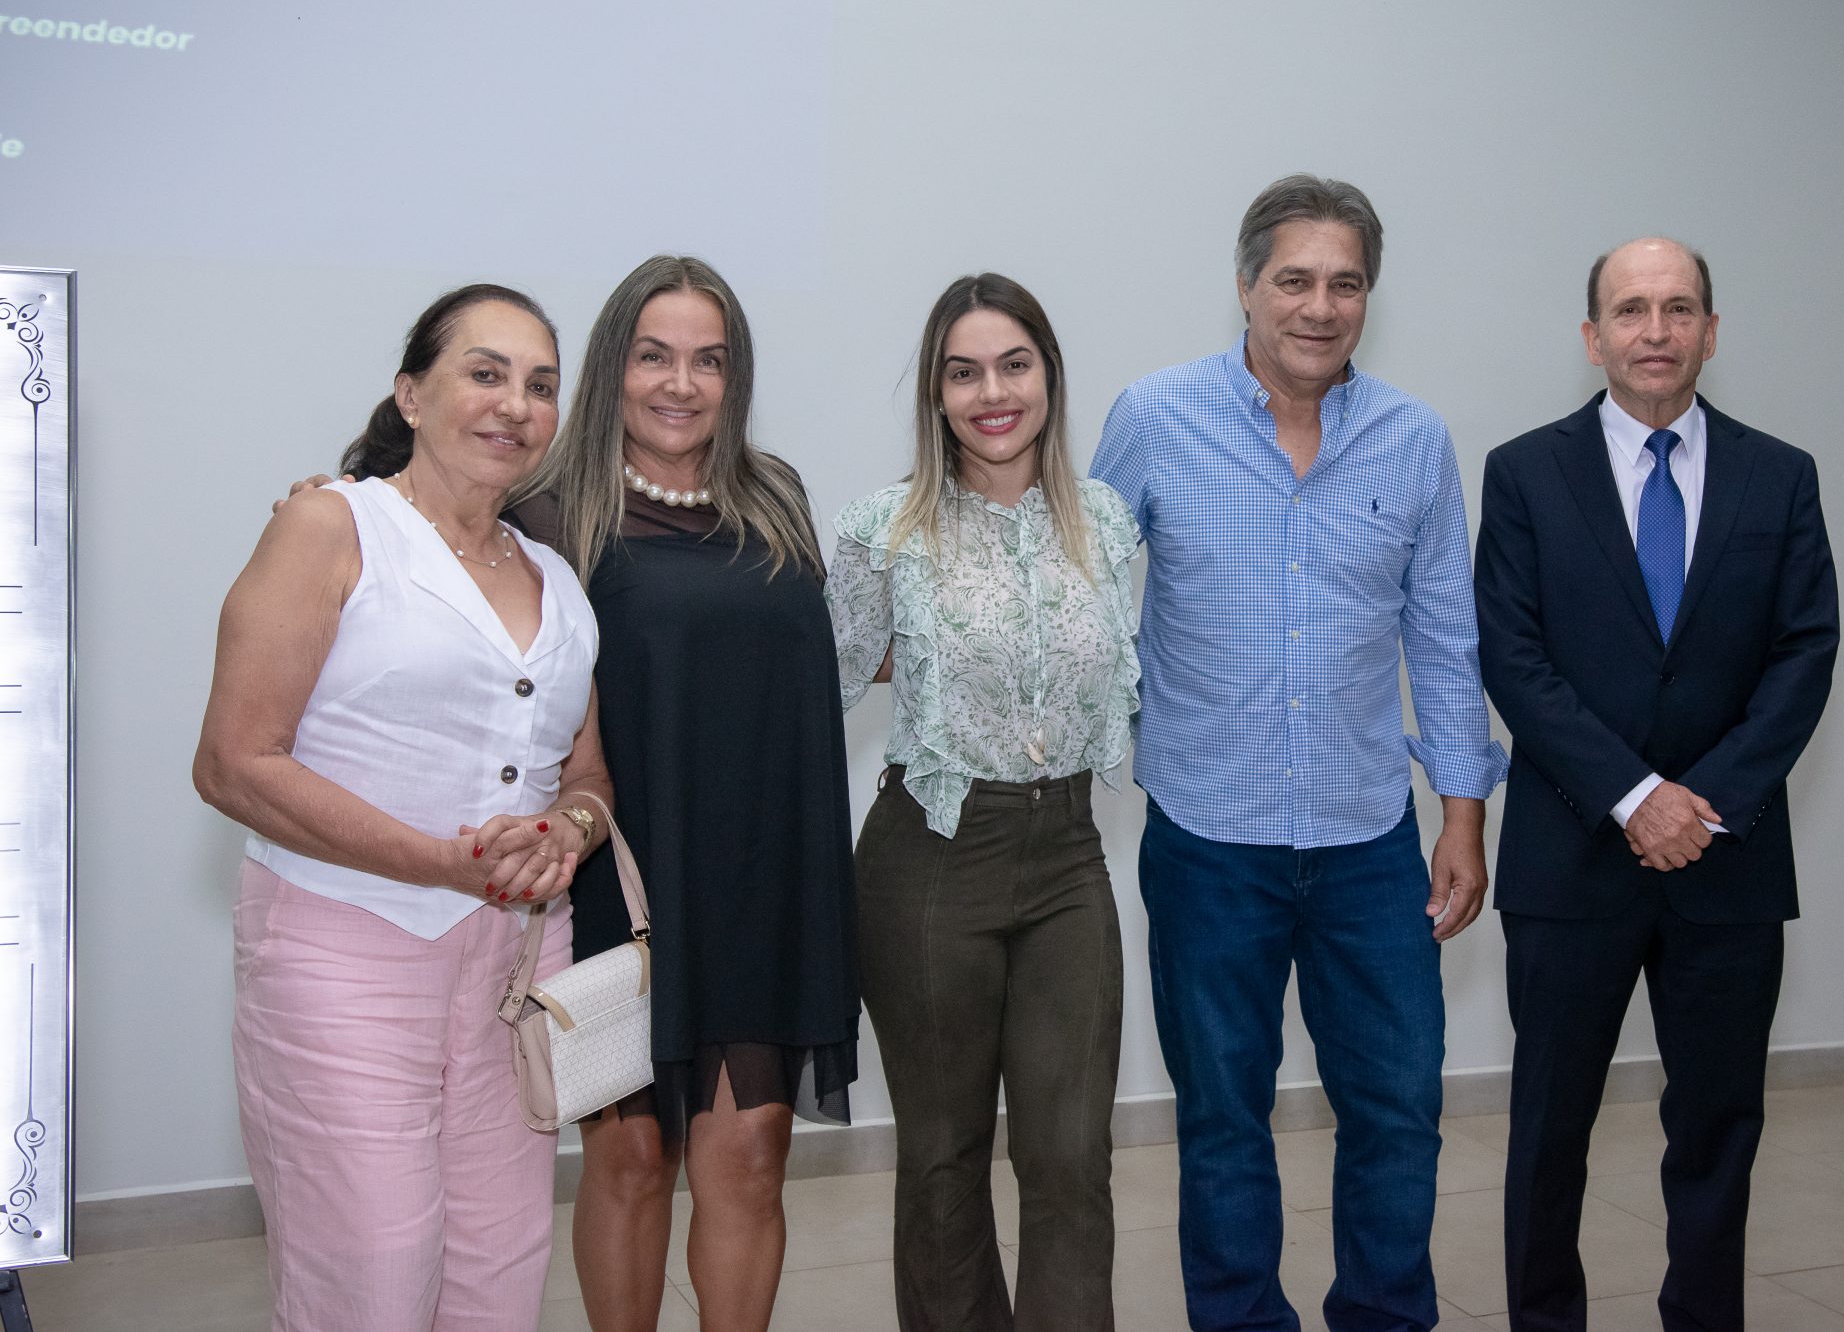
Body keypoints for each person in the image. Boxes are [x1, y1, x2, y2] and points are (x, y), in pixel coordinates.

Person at [1090, 175, 1507, 1331]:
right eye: (1294, 280)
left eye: (1344, 283)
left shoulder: (1413, 440)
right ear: (1244, 286)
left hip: (1367, 838)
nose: (1319, 307)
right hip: (1206, 839)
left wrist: (1461, 813)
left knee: (1397, 1107)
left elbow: (1443, 633)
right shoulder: (1154, 417)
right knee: (1222, 1117)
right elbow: (1080, 594)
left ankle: (1383, 1315)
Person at [194, 283, 610, 1332]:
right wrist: (436, 861)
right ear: (411, 395)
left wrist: (568, 829)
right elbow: (234, 762)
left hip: (516, 972)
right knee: (372, 1275)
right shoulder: (331, 525)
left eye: (540, 385)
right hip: (340, 958)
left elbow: (588, 776)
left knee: (497, 1274)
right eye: (485, 373)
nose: (515, 403)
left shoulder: (558, 577)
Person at [1474, 237, 1838, 1332]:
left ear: (1711, 333)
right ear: (1592, 337)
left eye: (1678, 308)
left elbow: (1804, 653)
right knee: (1549, 1133)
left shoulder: (1780, 474)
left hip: (1727, 863)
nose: (1655, 330)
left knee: (1719, 1130)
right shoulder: (1524, 472)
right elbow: (1514, 659)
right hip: (1571, 858)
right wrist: (1637, 796)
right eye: (1630, 309)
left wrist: (1702, 802)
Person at [512, 255, 860, 1332]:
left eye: (708, 360)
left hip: (766, 874)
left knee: (750, 1154)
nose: (680, 383)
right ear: (611, 367)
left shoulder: (776, 494)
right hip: (625, 874)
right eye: (654, 356)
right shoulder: (549, 512)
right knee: (630, 1159)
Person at [826, 273, 1141, 1332]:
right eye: (962, 373)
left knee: (1071, 1157)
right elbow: (820, 679)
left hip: (1067, 859)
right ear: (935, 393)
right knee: (941, 1159)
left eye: (1013, 365)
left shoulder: (1106, 522)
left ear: (1049, 374)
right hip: (927, 862)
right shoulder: (883, 529)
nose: (991, 393)